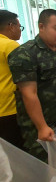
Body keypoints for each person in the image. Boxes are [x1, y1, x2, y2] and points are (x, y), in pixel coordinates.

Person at [8, 9, 56, 161]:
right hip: (40, 122)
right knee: (44, 166)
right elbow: (28, 93)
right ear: (41, 27)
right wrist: (42, 126)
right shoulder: (25, 54)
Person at [0, 10, 24, 149]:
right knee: (15, 152)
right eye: (19, 27)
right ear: (11, 26)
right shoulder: (10, 46)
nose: (20, 31)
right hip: (9, 108)